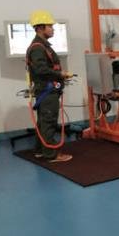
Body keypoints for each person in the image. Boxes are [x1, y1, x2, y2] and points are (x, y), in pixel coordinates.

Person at [26, 10, 73, 163]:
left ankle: (40, 150)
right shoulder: (38, 48)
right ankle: (51, 154)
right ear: (40, 28)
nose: (53, 29)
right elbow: (41, 69)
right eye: (50, 26)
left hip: (47, 89)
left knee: (43, 121)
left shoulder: (42, 46)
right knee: (49, 122)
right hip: (47, 90)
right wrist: (60, 74)